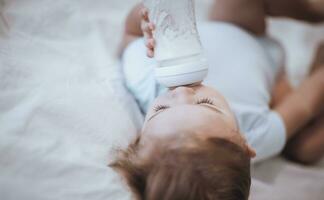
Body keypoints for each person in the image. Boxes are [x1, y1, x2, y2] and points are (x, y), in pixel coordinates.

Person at [111, 1, 324, 200]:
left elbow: (129, 35)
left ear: (140, 136)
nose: (181, 92)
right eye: (205, 104)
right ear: (245, 145)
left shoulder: (147, 82)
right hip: (274, 78)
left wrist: (146, 20)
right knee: (306, 148)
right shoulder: (255, 132)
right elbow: (305, 102)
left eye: (161, 108)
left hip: (235, 26)